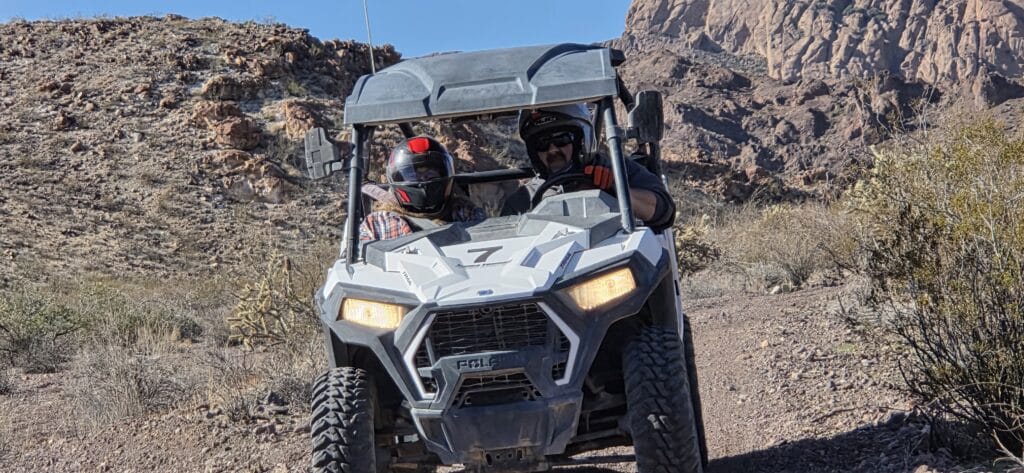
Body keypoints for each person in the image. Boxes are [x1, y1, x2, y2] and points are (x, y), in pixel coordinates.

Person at [500, 104, 675, 230]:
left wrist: (615, 188)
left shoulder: (616, 169)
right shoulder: (523, 199)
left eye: (562, 139)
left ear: (581, 141)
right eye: (542, 144)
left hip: (612, 265)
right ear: (533, 152)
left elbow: (663, 211)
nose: (553, 150)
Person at [359, 136, 485, 241]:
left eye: (430, 174)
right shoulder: (377, 223)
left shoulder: (465, 212)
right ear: (398, 178)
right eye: (413, 175)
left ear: (444, 174)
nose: (423, 181)